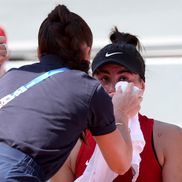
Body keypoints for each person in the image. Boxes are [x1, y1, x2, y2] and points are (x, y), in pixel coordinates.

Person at [0, 5, 143, 182]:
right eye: (104, 78)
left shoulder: (11, 76)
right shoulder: (88, 88)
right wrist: (120, 112)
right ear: (87, 52)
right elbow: (120, 164)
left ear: (39, 52)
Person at [51, 27, 182, 182]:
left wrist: (119, 114)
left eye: (123, 79)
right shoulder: (71, 141)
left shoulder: (169, 137)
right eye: (104, 79)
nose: (113, 90)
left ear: (141, 87)